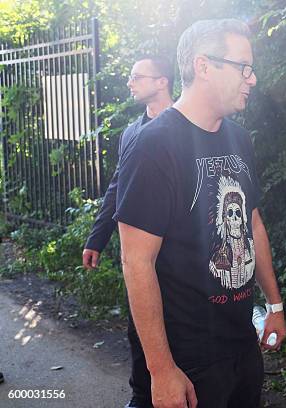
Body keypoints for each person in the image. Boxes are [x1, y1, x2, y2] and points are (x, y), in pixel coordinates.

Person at [114, 19, 286, 408]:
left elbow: (252, 223)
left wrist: (274, 305)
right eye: (243, 66)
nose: (253, 78)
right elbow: (136, 261)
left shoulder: (238, 137)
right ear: (203, 66)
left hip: (241, 343)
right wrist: (161, 371)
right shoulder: (153, 145)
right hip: (184, 358)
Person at [80, 55, 174, 408]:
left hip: (180, 253)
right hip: (139, 254)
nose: (130, 83)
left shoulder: (186, 127)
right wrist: (97, 237)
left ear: (162, 81)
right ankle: (141, 396)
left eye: (137, 76)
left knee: (181, 332)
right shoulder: (132, 133)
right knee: (141, 324)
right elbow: (117, 187)